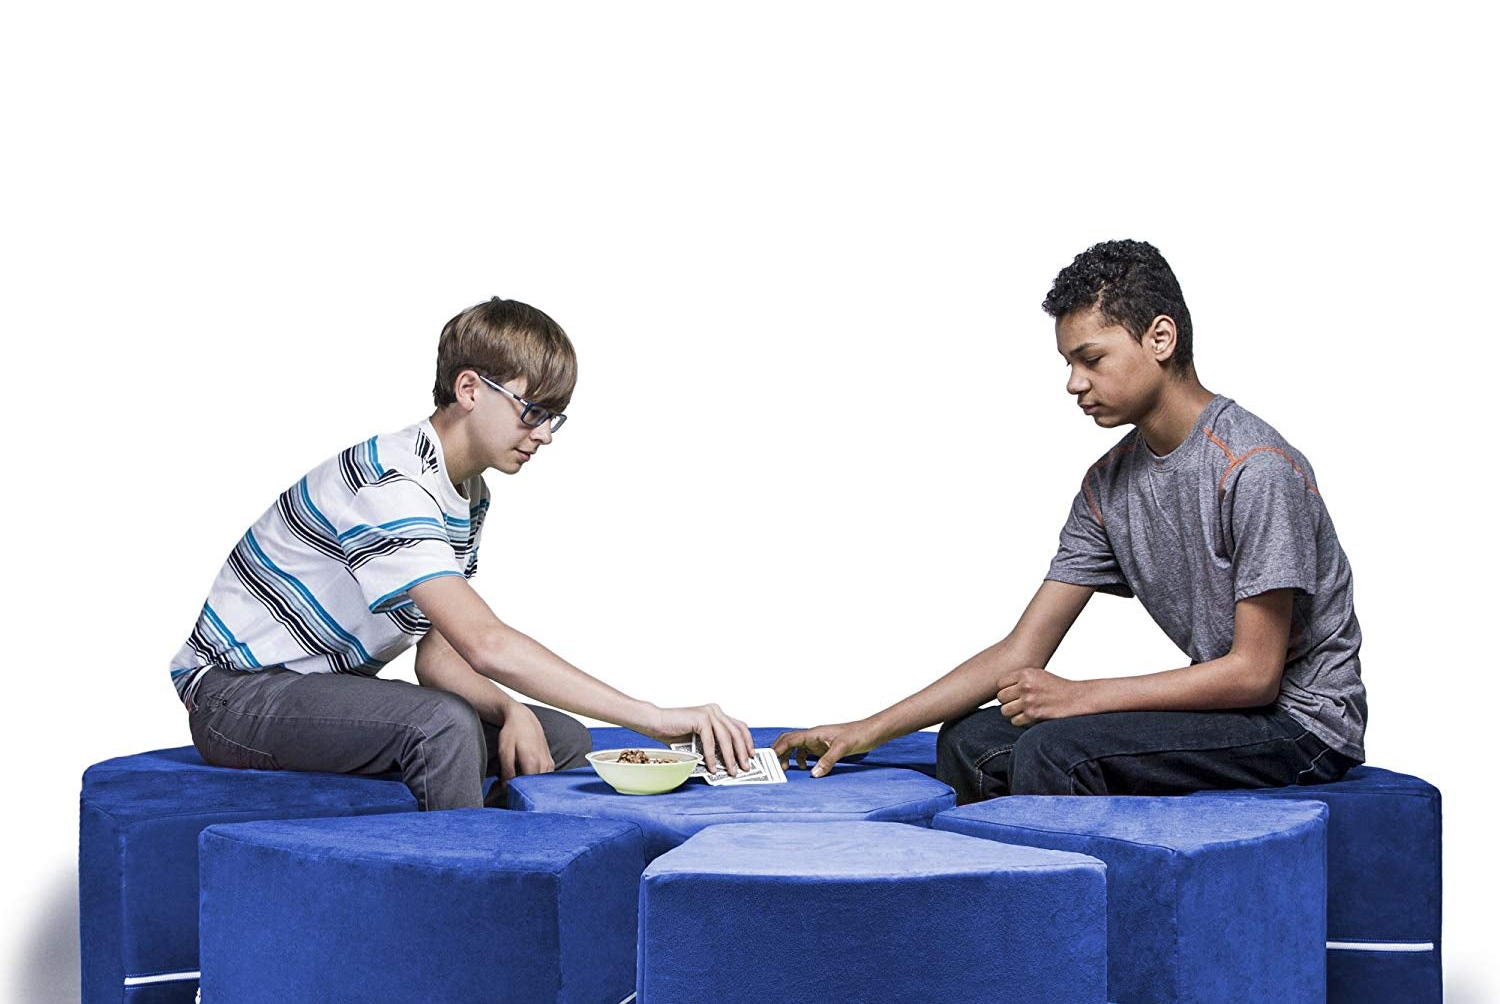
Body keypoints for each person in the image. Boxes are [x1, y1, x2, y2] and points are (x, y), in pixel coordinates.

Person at [775, 239, 1366, 802]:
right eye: (1068, 362)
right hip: (1232, 711)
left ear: (1160, 338)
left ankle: (1062, 880)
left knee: (1056, 751)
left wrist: (1079, 697)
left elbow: (1255, 674)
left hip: (1301, 725)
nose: (1074, 383)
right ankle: (997, 866)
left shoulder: (1253, 467)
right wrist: (868, 729)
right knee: (971, 740)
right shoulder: (1107, 485)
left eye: (1092, 359)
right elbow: (1020, 652)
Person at [170, 296, 753, 809]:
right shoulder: (392, 481)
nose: (545, 434)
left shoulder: (468, 494)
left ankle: (527, 863)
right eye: (532, 411)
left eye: (554, 418)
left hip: (313, 691)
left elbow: (439, 658)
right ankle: (465, 883)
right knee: (440, 724)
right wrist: (652, 717)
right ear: (469, 389)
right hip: (232, 697)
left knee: (561, 738)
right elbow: (485, 644)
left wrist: (510, 710)